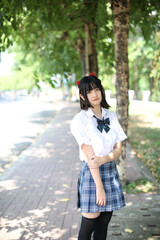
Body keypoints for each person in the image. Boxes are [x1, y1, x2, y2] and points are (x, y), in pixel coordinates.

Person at [70, 73, 127, 240]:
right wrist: (99, 188)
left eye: (96, 89)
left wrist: (105, 159)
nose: (94, 94)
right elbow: (91, 158)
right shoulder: (79, 120)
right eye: (89, 92)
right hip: (92, 174)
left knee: (104, 222)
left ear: (101, 91)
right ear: (82, 96)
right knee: (89, 223)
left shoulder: (111, 116)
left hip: (110, 171)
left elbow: (118, 150)